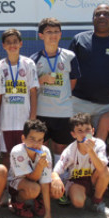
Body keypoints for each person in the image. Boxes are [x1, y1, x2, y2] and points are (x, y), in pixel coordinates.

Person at [30, 18, 81, 165]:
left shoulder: (69, 56)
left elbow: (72, 82)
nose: (53, 35)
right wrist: (42, 80)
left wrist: (61, 95)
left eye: (56, 32)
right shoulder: (34, 59)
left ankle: (60, 175)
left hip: (63, 111)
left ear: (60, 34)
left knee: (61, 147)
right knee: (42, 146)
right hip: (42, 111)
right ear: (41, 35)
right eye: (49, 32)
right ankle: (43, 174)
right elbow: (31, 87)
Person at [51, 113, 109, 217]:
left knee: (106, 171)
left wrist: (90, 151)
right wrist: (57, 180)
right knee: (79, 203)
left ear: (93, 131)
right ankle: (76, 195)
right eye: (80, 131)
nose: (84, 134)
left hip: (93, 178)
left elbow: (102, 168)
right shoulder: (70, 150)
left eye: (87, 130)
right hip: (77, 181)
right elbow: (55, 171)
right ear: (73, 134)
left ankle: (97, 202)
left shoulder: (99, 144)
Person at [0, 28, 39, 166]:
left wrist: (32, 117)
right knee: (7, 154)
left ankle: (24, 179)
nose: (12, 45)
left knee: (25, 152)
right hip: (5, 120)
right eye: (8, 42)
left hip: (24, 119)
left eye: (15, 41)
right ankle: (9, 181)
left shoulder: (29, 64)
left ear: (21, 43)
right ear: (3, 45)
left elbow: (33, 92)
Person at [8, 119, 61, 218]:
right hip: (18, 183)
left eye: (40, 140)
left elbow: (45, 183)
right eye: (32, 139)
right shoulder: (17, 152)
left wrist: (48, 215)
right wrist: (40, 167)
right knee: (34, 189)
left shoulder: (45, 151)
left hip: (36, 182)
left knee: (57, 188)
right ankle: (16, 201)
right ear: (23, 138)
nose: (36, 144)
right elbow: (31, 178)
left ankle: (38, 200)